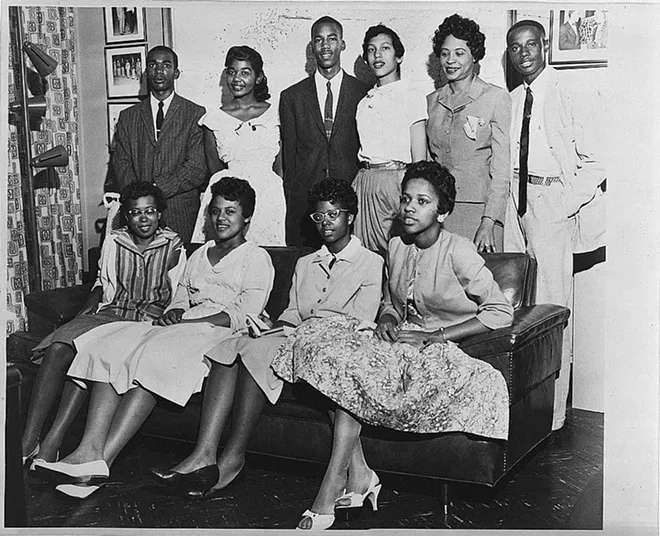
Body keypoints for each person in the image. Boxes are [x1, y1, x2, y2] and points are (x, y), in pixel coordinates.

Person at [272, 161, 514, 531]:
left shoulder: (459, 251)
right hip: (399, 341)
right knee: (332, 355)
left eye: (422, 201)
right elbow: (391, 300)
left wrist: (438, 336)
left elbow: (500, 311)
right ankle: (361, 475)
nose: (409, 208)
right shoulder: (396, 245)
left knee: (349, 373)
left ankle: (331, 489)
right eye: (405, 199)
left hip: (439, 351)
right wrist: (386, 316)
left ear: (443, 211)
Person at [35, 178, 275, 499]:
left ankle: (101, 460)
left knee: (151, 356)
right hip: (181, 329)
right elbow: (181, 296)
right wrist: (176, 311)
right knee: (113, 348)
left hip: (216, 334)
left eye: (231, 212)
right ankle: (88, 451)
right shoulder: (201, 253)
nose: (221, 218)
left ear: (247, 217)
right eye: (216, 211)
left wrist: (192, 321)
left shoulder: (256, 258)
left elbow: (245, 313)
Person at [148, 177, 383, 501]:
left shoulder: (371, 262)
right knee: (233, 344)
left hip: (334, 342)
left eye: (334, 214)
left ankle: (233, 459)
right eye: (319, 216)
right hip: (295, 335)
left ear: (350, 217)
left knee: (257, 352)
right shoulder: (305, 263)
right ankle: (204, 454)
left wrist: (301, 330)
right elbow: (292, 312)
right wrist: (270, 323)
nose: (326, 223)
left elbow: (363, 318)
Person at [21, 183, 186, 467]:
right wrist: (85, 313)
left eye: (150, 212)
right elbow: (102, 283)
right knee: (59, 347)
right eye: (136, 213)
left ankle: (53, 442)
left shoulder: (174, 246)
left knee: (88, 355)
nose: (143, 219)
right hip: (111, 313)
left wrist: (174, 314)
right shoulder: (114, 241)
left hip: (145, 322)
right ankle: (29, 439)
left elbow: (181, 292)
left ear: (159, 214)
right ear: (127, 215)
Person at [504, 20, 605, 430]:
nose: (524, 52)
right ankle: (521, 410)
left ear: (545, 46)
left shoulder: (569, 91)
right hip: (515, 201)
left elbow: (597, 160)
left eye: (531, 44)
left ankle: (553, 416)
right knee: (514, 307)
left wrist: (563, 203)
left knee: (552, 308)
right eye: (515, 46)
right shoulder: (510, 100)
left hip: (551, 203)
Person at [279, 16, 369, 246]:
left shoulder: (365, 93)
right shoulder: (292, 97)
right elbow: (289, 157)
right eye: (319, 40)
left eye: (332, 39)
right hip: (306, 202)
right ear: (312, 46)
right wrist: (295, 198)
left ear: (342, 44)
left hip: (351, 197)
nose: (326, 46)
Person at [426, 14, 511, 253]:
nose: (450, 60)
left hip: (480, 214)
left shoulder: (495, 98)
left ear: (475, 55)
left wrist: (489, 221)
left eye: (459, 53)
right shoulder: (432, 101)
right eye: (445, 53)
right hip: (439, 212)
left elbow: (501, 171)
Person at [110, 45, 208, 242]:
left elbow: (197, 168)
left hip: (180, 213)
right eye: (153, 65)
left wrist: (156, 191)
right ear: (146, 72)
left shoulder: (194, 113)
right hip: (138, 215)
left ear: (176, 72)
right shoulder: (128, 117)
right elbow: (121, 163)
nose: (159, 71)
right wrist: (141, 202)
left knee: (180, 269)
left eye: (166, 65)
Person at [191, 46, 285, 246]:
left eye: (245, 72)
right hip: (228, 199)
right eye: (231, 72)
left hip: (269, 198)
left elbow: (281, 166)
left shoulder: (276, 114)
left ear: (258, 77)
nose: (237, 79)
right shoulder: (213, 119)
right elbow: (215, 169)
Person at [352, 24, 427, 257]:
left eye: (385, 48)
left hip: (397, 182)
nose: (377, 55)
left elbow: (419, 155)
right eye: (371, 50)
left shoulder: (411, 95)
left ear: (399, 56)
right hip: (364, 183)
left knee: (398, 253)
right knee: (365, 257)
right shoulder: (364, 102)